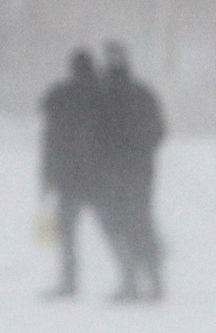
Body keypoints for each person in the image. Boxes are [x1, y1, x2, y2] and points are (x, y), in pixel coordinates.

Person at [92, 41, 167, 301]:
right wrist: (142, 151)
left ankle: (130, 278)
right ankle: (154, 276)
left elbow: (92, 135)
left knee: (116, 223)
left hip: (111, 170)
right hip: (141, 169)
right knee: (141, 221)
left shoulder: (100, 95)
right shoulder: (142, 93)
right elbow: (159, 131)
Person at [36, 48, 103, 298]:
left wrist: (46, 178)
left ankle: (68, 282)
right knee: (113, 228)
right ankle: (130, 276)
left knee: (67, 234)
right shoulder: (104, 94)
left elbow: (50, 142)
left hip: (68, 177)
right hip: (100, 176)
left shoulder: (59, 97)